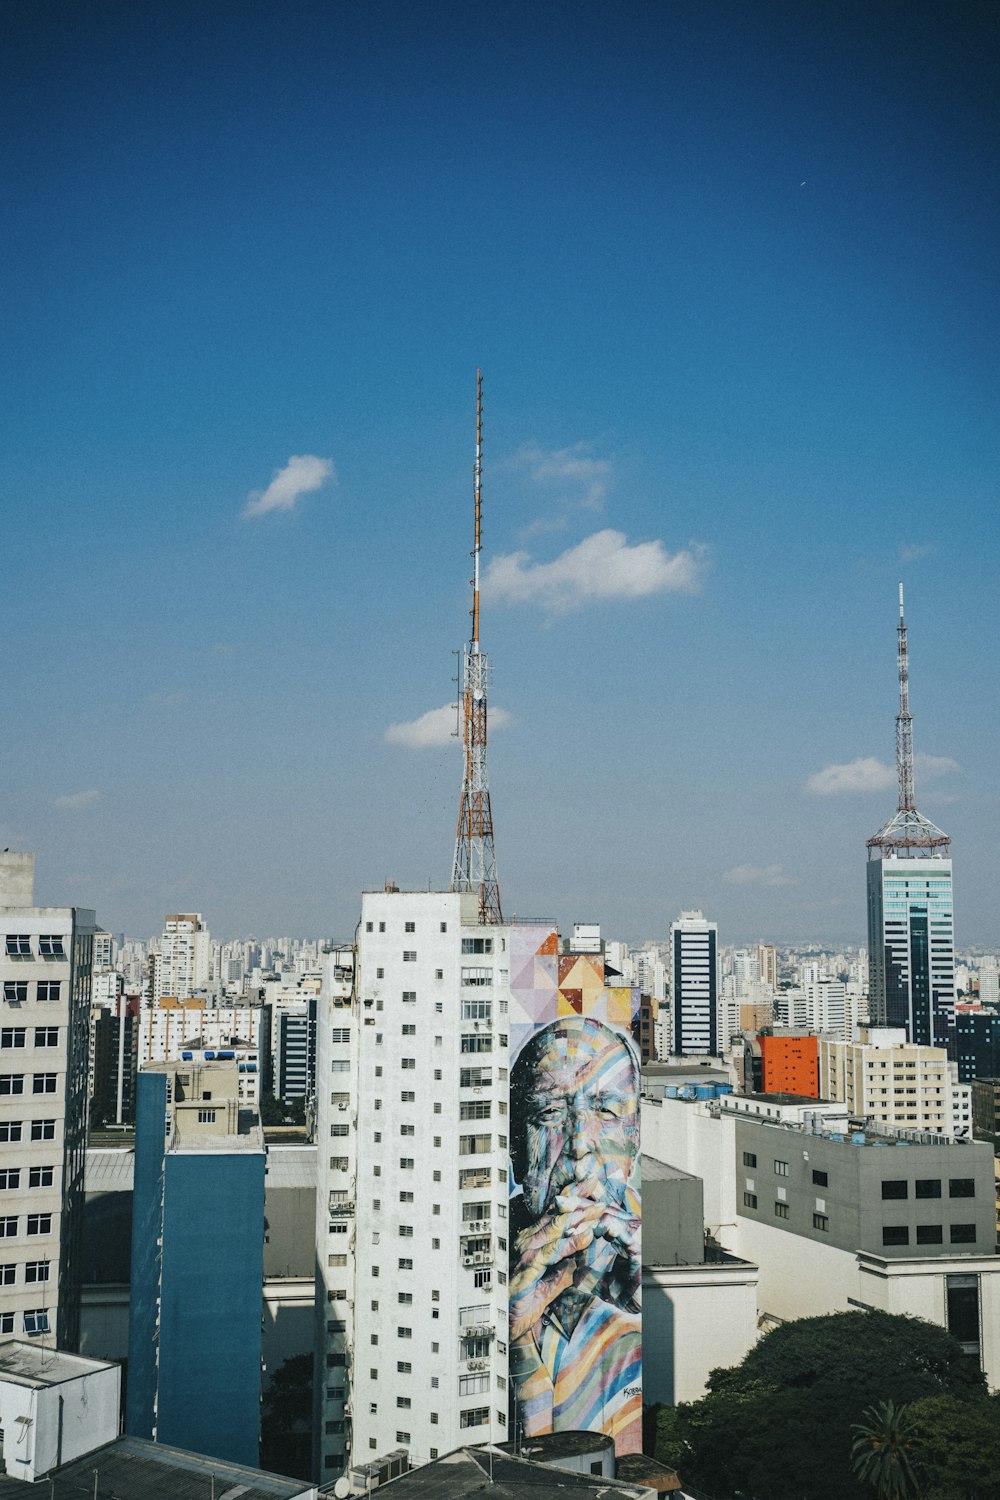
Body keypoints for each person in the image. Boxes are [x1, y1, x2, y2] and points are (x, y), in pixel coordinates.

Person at [509, 1015, 641, 1449]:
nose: (579, 1143)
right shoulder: (482, 1259)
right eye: (550, 1113)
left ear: (634, 1141)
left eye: (605, 1110)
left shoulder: (640, 1263)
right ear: (514, 1149)